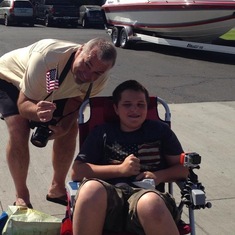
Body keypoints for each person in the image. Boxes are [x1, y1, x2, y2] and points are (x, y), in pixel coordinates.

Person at [0, 37, 117, 208]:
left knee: (71, 128)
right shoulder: (47, 58)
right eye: (87, 64)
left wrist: (64, 126)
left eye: (97, 73)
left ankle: (57, 188)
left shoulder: (99, 78)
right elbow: (24, 105)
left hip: (57, 89)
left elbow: (77, 101)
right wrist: (37, 112)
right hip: (11, 78)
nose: (88, 75)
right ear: (80, 50)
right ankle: (22, 195)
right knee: (19, 128)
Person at [71, 80, 189, 235]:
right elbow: (77, 171)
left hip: (148, 197)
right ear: (116, 108)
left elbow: (183, 169)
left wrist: (159, 176)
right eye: (127, 104)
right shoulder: (102, 133)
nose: (134, 109)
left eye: (141, 104)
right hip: (109, 200)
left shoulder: (160, 131)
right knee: (91, 190)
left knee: (150, 203)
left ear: (147, 107)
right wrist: (119, 170)